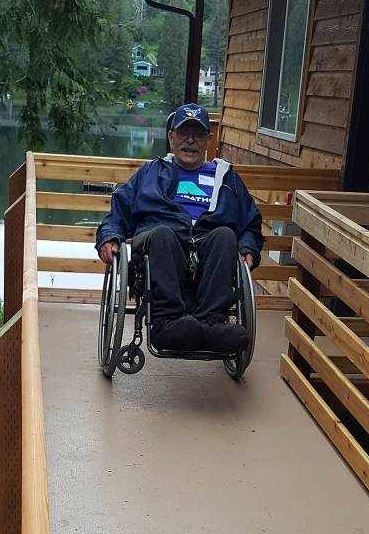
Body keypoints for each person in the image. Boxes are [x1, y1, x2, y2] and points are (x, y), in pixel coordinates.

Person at [95, 103, 263, 353]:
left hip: (207, 248)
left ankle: (211, 323)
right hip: (159, 244)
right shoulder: (151, 172)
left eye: (198, 134)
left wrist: (248, 246)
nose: (190, 141)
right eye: (184, 133)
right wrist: (109, 236)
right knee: (163, 235)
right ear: (171, 137)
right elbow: (118, 212)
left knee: (226, 235)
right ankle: (167, 324)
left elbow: (250, 223)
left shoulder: (227, 178)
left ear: (208, 140)